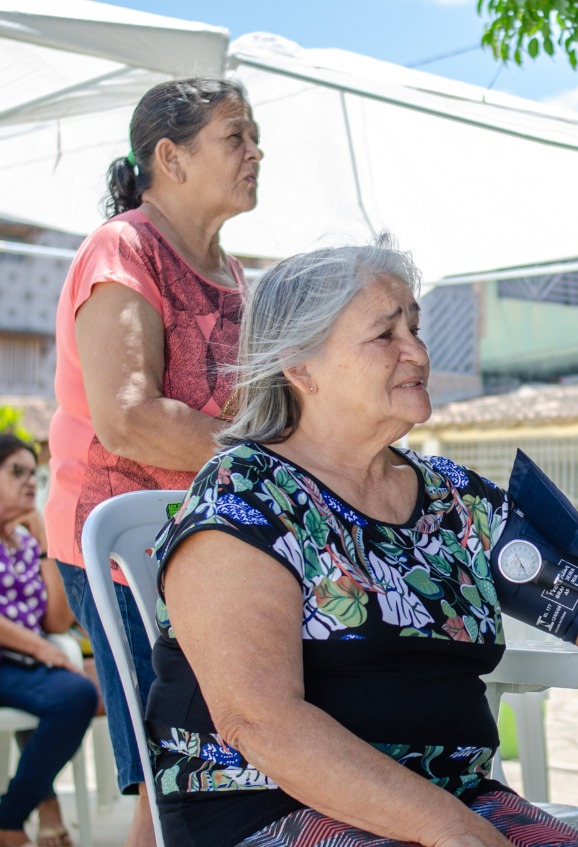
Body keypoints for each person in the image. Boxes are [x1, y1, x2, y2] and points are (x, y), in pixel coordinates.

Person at [148, 239, 578, 847]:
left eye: (414, 327)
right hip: (268, 808)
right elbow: (261, 723)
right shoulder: (245, 497)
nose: (416, 351)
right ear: (300, 367)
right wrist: (448, 829)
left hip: (452, 800)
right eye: (384, 334)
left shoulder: (454, 500)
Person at [46, 77, 261, 847]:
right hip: (120, 546)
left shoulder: (234, 274)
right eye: (236, 137)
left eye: (255, 138)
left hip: (201, 547)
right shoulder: (124, 248)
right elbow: (128, 416)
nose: (255, 152)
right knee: (170, 773)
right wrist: (268, 463)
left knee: (199, 764)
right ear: (171, 157)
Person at [0, 435, 99, 847]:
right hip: (16, 658)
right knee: (72, 692)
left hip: (22, 663)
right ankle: (21, 816)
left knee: (79, 693)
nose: (29, 481)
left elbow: (56, 621)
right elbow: (45, 638)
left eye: (33, 474)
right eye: (16, 471)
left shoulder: (23, 541)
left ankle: (9, 815)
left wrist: (44, 547)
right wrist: (41, 648)